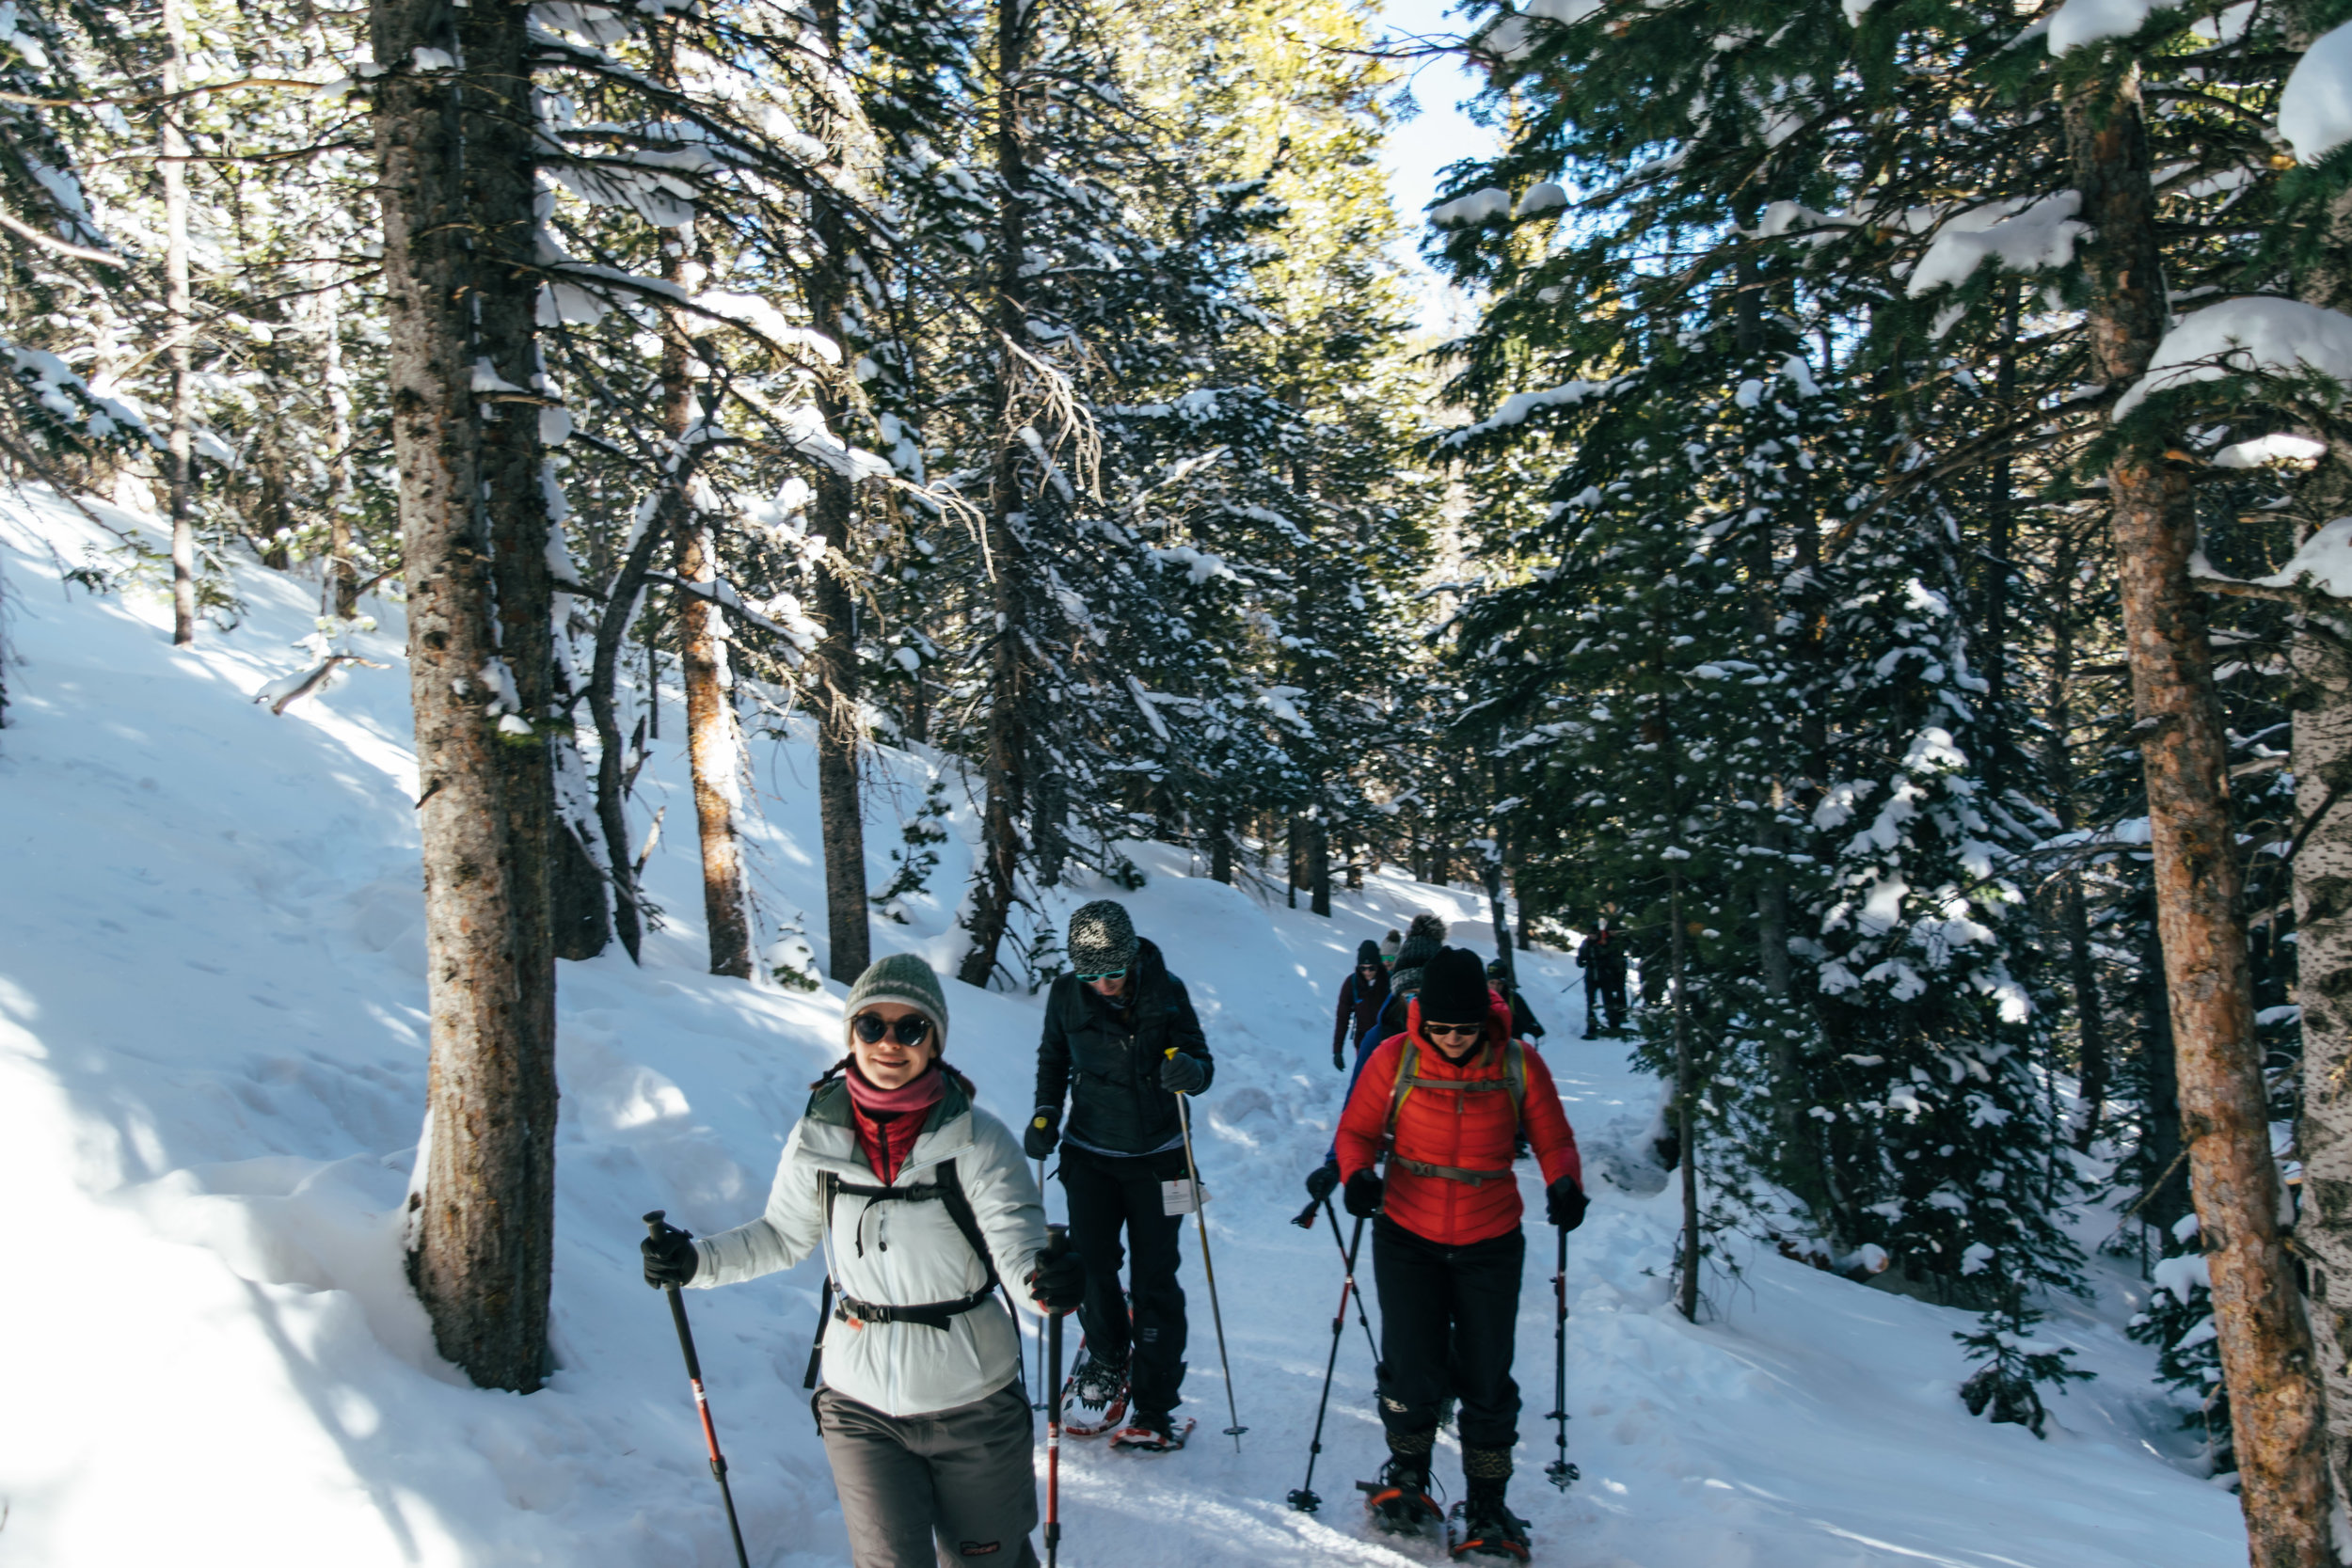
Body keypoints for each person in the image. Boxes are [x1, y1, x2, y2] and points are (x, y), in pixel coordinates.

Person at [639, 954, 1087, 1568]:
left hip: (973, 1401)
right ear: (851, 1034)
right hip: (859, 1406)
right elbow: (781, 1235)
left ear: (935, 1041)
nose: (889, 1043)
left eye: (911, 1028)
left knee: (989, 1561)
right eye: (872, 1025)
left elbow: (1018, 1248)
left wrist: (1047, 1282)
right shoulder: (818, 1136)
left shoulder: (978, 1140)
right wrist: (694, 1262)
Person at [1337, 947, 1587, 1560]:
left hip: (1490, 1238)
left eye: (1465, 1027)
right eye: (1442, 1026)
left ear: (1485, 1019)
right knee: (1410, 1363)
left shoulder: (1518, 1062)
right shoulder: (1395, 1057)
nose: (1452, 1038)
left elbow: (1554, 1137)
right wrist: (1357, 1175)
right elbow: (1357, 1131)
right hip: (1407, 1232)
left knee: (1486, 1374)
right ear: (1423, 1018)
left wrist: (1564, 1183)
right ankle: (1408, 1471)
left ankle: (1486, 1501)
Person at [1024, 899, 1215, 1451]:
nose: (1103, 985)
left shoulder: (1167, 990)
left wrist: (1190, 1072)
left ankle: (1156, 1404)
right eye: (1091, 975)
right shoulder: (1066, 995)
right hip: (1090, 1154)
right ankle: (1107, 1358)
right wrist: (1045, 1114)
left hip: (1163, 1158)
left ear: (1130, 957)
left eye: (1112, 971)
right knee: (1091, 1265)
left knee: (1157, 1277)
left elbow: (1203, 1064)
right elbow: (1053, 1060)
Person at [1332, 939, 1392, 1070]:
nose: (1367, 972)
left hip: (1387, 1043)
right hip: (1363, 1043)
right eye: (1363, 968)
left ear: (1378, 965)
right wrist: (1337, 1051)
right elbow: (1342, 1018)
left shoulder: (1389, 981)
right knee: (1365, 1078)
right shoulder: (1352, 984)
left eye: (1372, 968)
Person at [1577, 920, 1629, 1037]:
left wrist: (1605, 963)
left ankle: (1614, 1026)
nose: (1591, 936)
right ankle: (1591, 1029)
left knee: (1608, 1001)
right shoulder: (1585, 944)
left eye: (1593, 934)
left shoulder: (1605, 943)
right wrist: (1581, 962)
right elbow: (1580, 959)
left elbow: (1613, 958)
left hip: (1605, 976)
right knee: (1591, 1003)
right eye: (1590, 934)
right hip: (1590, 977)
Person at [1486, 958, 1546, 1041]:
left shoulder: (1513, 999)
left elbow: (1534, 1027)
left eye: (1499, 983)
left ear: (1504, 984)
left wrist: (1530, 1036)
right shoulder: (1480, 999)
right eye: (1492, 982)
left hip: (1511, 1045)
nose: (1495, 987)